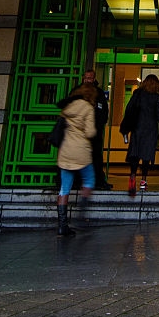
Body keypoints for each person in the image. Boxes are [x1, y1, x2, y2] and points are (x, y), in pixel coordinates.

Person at [54, 83, 97, 236]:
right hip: (81, 151)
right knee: (89, 180)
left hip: (65, 151)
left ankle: (62, 225)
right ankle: (81, 213)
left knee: (64, 188)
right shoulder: (88, 108)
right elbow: (90, 132)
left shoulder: (68, 107)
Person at [119, 74, 159, 197]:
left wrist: (126, 127)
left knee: (135, 154)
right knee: (146, 156)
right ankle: (143, 181)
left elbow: (129, 109)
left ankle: (132, 175)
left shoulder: (137, 94)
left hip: (138, 128)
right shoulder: (156, 97)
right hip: (151, 130)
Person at [83, 69, 113, 190]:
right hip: (81, 132)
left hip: (94, 131)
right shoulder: (78, 92)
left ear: (94, 78)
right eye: (86, 78)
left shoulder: (99, 93)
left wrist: (100, 125)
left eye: (90, 78)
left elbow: (104, 111)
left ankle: (97, 181)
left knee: (95, 156)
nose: (87, 80)